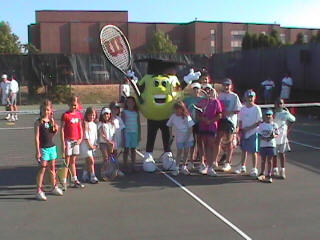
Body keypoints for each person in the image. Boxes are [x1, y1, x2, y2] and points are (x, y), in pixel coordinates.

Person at [34, 101, 63, 201]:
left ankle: (54, 187)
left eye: (47, 110)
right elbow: (37, 138)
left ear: (50, 110)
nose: (45, 112)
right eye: (43, 110)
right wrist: (38, 151)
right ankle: (39, 190)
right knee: (42, 169)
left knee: (52, 168)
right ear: (41, 110)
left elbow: (52, 135)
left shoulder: (51, 121)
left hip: (52, 148)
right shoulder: (38, 122)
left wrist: (55, 128)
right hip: (43, 149)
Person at [217, 78, 242, 172]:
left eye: (228, 85)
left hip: (230, 121)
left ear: (231, 86)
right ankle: (219, 159)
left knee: (229, 142)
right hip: (220, 120)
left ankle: (228, 162)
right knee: (218, 140)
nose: (226, 87)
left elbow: (238, 109)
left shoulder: (234, 96)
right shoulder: (219, 95)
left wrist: (228, 112)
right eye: (224, 85)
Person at [196, 86, 222, 176]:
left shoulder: (215, 102)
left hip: (212, 127)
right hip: (203, 127)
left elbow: (219, 115)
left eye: (209, 90)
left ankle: (210, 167)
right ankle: (204, 165)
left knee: (210, 146)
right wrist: (204, 120)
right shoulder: (201, 102)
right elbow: (198, 115)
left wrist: (211, 121)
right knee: (204, 145)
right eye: (206, 90)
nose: (208, 92)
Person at [60, 96, 84, 190]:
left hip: (76, 141)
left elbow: (80, 127)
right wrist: (63, 143)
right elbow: (62, 129)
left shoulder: (78, 115)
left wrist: (80, 138)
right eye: (72, 104)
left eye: (75, 104)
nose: (74, 106)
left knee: (73, 161)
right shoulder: (65, 115)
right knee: (67, 161)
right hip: (68, 141)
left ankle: (74, 180)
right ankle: (64, 181)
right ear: (69, 104)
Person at [237, 89, 262, 177]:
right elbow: (240, 120)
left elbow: (259, 122)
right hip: (244, 133)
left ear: (254, 98)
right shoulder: (242, 108)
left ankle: (254, 168)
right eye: (248, 97)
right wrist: (241, 130)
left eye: (252, 97)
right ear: (245, 98)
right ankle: (242, 166)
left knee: (253, 151)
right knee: (244, 150)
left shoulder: (256, 108)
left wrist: (249, 128)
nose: (250, 99)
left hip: (253, 133)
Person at [167, 101, 195, 176]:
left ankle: (184, 167)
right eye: (175, 109)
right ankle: (176, 168)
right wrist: (170, 134)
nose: (177, 111)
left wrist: (188, 137)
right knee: (179, 152)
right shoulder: (173, 116)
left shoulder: (186, 117)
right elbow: (169, 125)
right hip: (179, 137)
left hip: (188, 137)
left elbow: (190, 128)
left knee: (186, 152)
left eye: (178, 109)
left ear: (182, 109)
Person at [272, 98, 296, 179]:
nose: (279, 105)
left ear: (283, 105)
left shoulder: (286, 113)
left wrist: (288, 130)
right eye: (277, 103)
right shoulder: (272, 113)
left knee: (282, 154)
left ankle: (282, 170)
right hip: (273, 138)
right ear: (275, 104)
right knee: (274, 155)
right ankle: (274, 169)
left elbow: (293, 120)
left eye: (280, 103)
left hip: (282, 138)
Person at [183, 81, 202, 171]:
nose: (196, 91)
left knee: (200, 142)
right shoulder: (187, 100)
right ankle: (190, 161)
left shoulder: (203, 99)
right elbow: (183, 109)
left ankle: (202, 162)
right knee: (191, 143)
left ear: (200, 90)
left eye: (197, 89)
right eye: (194, 89)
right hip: (190, 124)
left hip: (200, 123)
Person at [257, 109, 279, 183]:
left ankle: (269, 174)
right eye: (267, 115)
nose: (268, 116)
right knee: (263, 160)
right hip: (263, 145)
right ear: (264, 116)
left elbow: (276, 134)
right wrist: (265, 138)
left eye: (269, 115)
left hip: (271, 145)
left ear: (272, 116)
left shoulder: (274, 125)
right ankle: (262, 173)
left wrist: (272, 137)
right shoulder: (261, 125)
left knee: (269, 160)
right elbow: (259, 135)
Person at [121, 96, 141, 172]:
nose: (130, 104)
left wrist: (139, 134)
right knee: (126, 150)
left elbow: (138, 124)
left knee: (133, 149)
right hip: (127, 133)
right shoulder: (124, 112)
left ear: (134, 103)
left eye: (132, 102)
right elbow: (122, 124)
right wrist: (123, 135)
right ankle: (125, 165)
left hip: (134, 133)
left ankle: (133, 165)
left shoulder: (136, 112)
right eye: (128, 102)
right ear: (126, 103)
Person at [80, 107, 99, 184]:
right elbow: (85, 136)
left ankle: (84, 175)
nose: (92, 117)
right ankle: (92, 176)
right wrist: (89, 145)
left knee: (87, 161)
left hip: (92, 146)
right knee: (91, 161)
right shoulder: (85, 123)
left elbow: (95, 136)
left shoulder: (94, 124)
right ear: (87, 115)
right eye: (90, 115)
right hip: (86, 146)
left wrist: (95, 144)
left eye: (93, 115)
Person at [98, 107, 117, 180]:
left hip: (110, 144)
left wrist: (112, 142)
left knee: (110, 158)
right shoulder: (100, 124)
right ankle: (103, 173)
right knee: (105, 158)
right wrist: (108, 141)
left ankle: (109, 172)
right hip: (103, 144)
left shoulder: (112, 124)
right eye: (105, 114)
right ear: (102, 115)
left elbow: (114, 134)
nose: (107, 116)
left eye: (108, 114)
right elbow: (102, 135)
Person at [110, 101, 125, 175]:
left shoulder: (119, 118)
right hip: (110, 140)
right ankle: (110, 168)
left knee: (115, 155)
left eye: (117, 109)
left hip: (117, 140)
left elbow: (122, 128)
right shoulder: (108, 118)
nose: (115, 110)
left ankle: (116, 169)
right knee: (110, 155)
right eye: (114, 109)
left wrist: (122, 140)